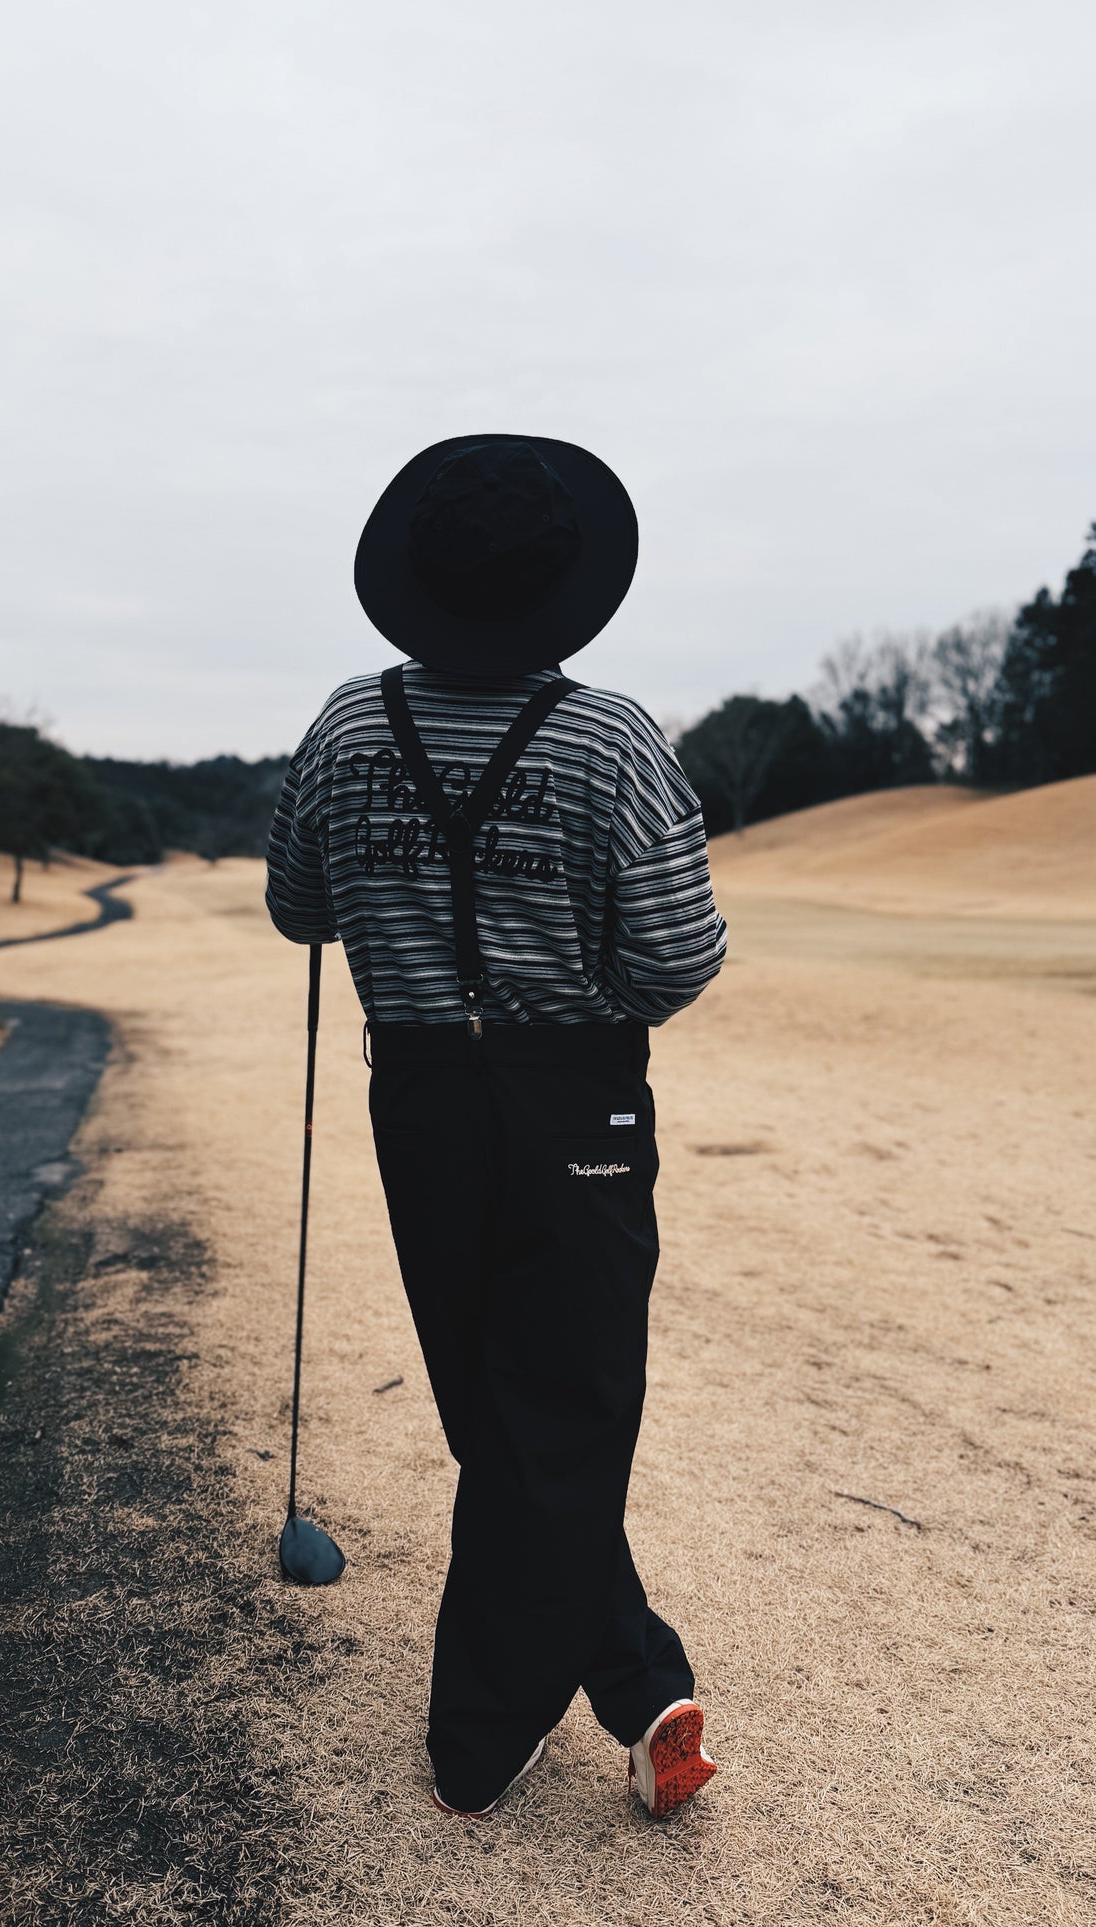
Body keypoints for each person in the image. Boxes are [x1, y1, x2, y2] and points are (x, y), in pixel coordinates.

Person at [266, 434, 727, 1820]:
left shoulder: (347, 725)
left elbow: (297, 906)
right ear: (561, 587)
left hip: (417, 1092)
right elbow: (678, 957)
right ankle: (480, 1736)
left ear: (418, 579)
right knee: (561, 1411)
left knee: (498, 1406)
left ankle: (640, 1685)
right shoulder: (608, 734)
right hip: (574, 1090)